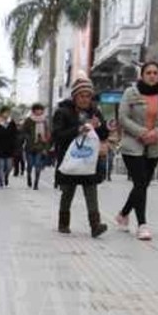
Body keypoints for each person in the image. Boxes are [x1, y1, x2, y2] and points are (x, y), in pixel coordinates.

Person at [115, 62, 158, 240]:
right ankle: (142, 225)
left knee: (143, 184)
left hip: (153, 145)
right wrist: (141, 132)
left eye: (155, 73)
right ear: (142, 75)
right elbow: (123, 117)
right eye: (148, 72)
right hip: (132, 145)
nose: (152, 76)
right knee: (140, 183)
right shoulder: (131, 93)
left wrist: (156, 133)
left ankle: (123, 214)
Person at [52, 77, 111, 237]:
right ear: (74, 96)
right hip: (70, 160)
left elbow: (103, 135)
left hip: (88, 160)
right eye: (81, 96)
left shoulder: (95, 112)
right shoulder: (63, 112)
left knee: (91, 192)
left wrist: (100, 126)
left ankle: (95, 225)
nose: (85, 99)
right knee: (67, 192)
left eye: (88, 96)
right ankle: (63, 223)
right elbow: (57, 135)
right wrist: (78, 129)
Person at [21, 103, 52, 189]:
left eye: (41, 110)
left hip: (40, 146)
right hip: (30, 146)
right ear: (34, 111)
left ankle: (36, 183)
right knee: (30, 164)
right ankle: (29, 176)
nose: (39, 111)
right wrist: (28, 138)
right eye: (37, 110)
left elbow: (48, 134)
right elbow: (23, 131)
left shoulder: (44, 121)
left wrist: (46, 147)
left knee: (38, 165)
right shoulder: (29, 120)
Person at [0, 109, 19, 187]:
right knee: (1, 166)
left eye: (7, 113)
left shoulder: (12, 123)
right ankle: (1, 182)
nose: (6, 114)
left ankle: (6, 176)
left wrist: (15, 145)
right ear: (1, 114)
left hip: (9, 149)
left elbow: (15, 135)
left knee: (9, 166)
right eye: (4, 113)